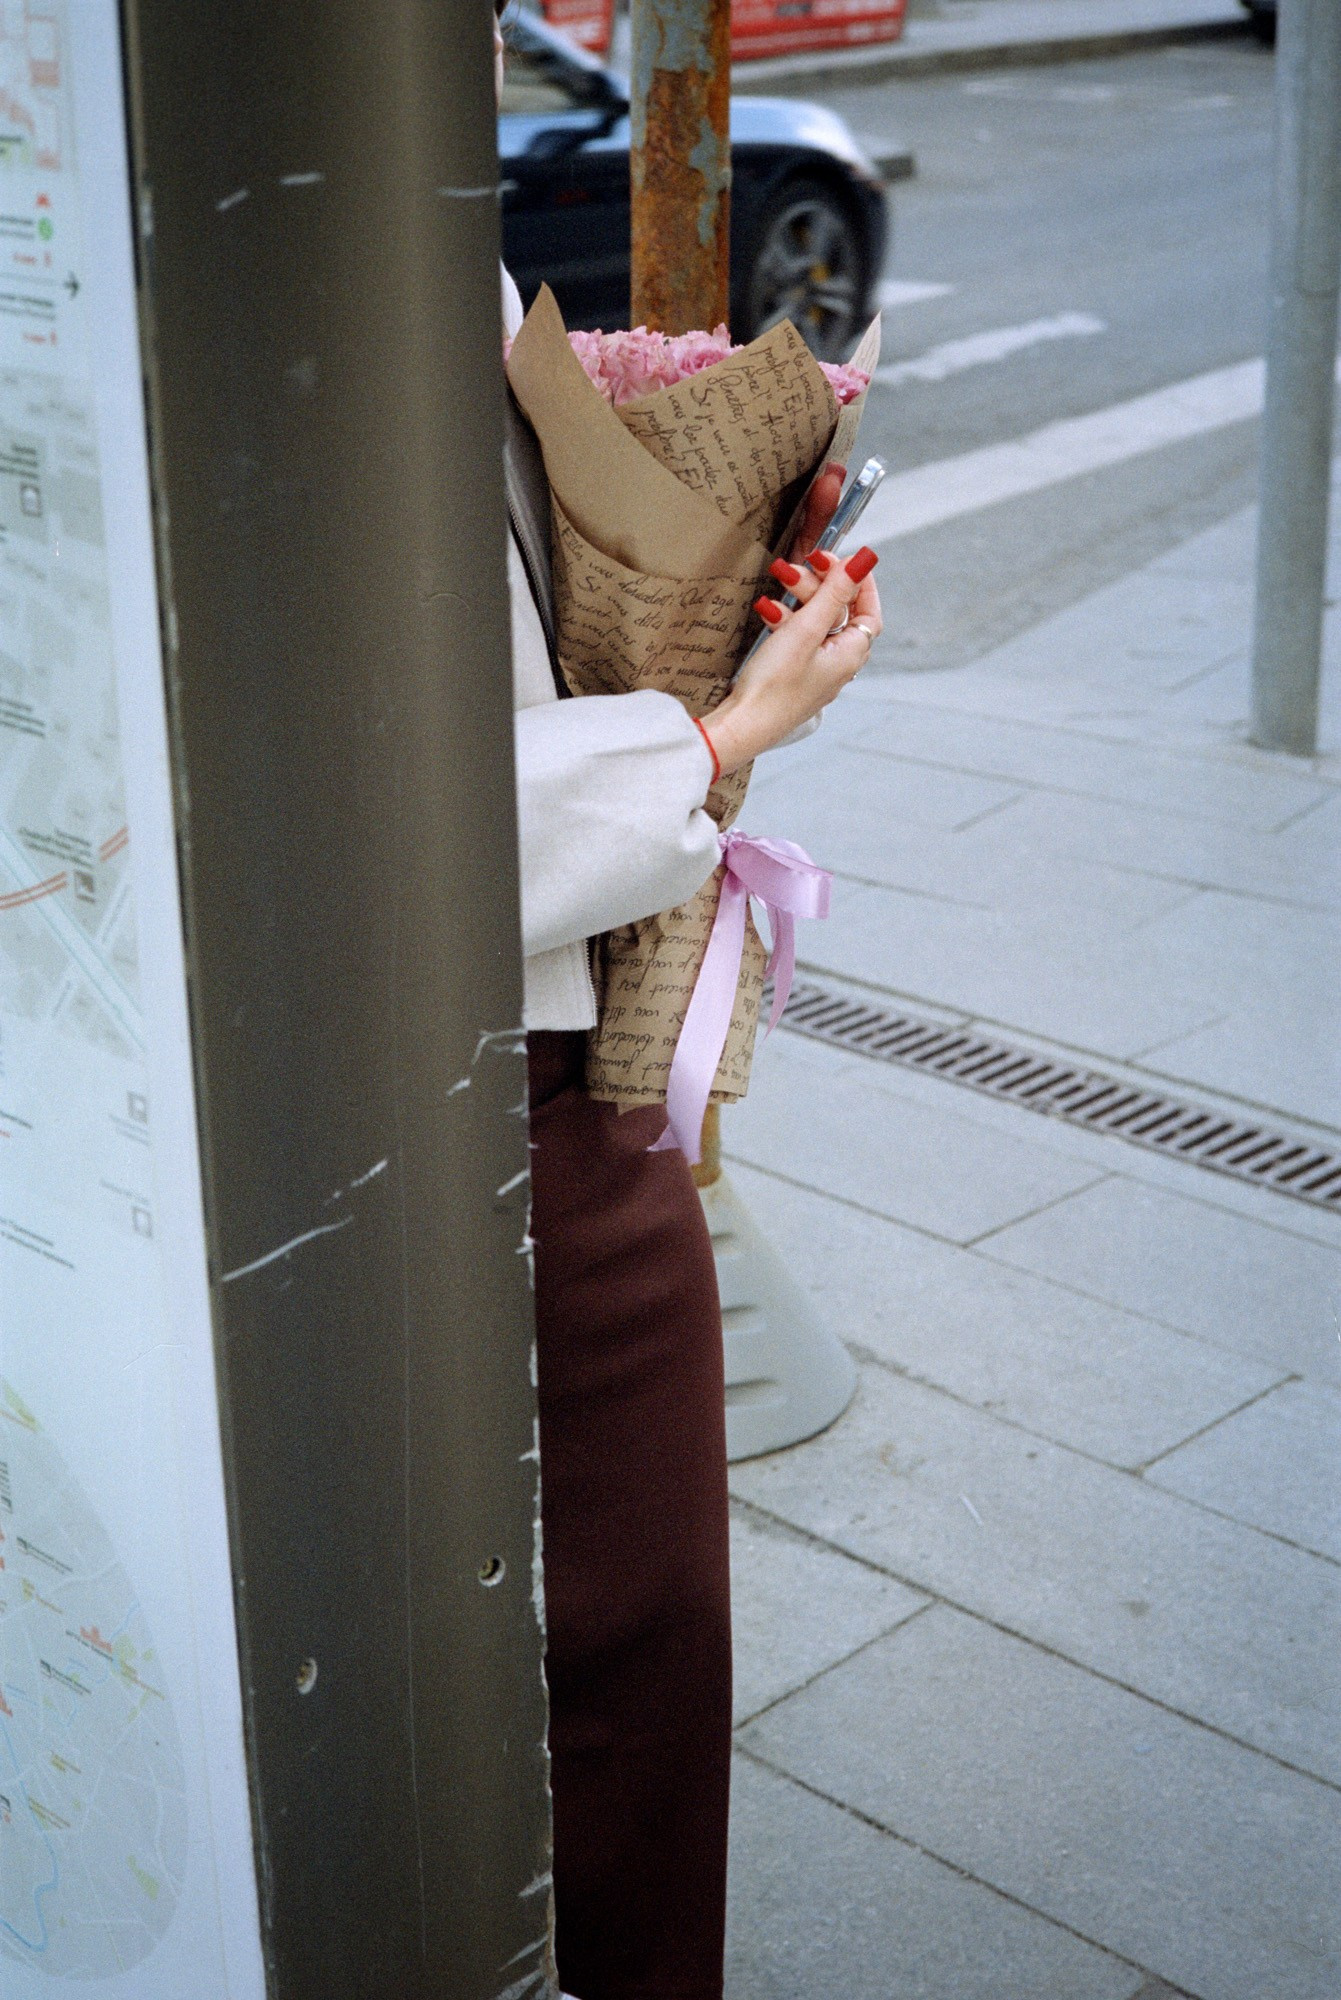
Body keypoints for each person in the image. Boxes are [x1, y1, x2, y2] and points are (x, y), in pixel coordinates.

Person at [496, 18, 883, 1997]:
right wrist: (721, 730)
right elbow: (372, 830)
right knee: (633, 1644)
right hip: (501, 1078)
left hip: (522, 1051)